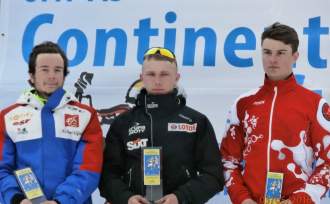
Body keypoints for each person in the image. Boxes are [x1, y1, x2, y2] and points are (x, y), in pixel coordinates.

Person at [220, 22, 330, 204]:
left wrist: (299, 200)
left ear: (295, 56)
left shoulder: (315, 104)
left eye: (281, 53)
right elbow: (228, 161)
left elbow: (327, 162)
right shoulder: (243, 103)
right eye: (267, 52)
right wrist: (243, 199)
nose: (272, 59)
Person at [99, 47, 224, 204]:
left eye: (164, 74)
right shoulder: (122, 123)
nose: (157, 81)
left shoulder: (196, 121)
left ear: (177, 77)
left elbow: (214, 176)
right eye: (151, 74)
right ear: (141, 77)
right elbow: (107, 176)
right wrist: (126, 198)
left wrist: (180, 198)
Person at [0, 41, 103, 204]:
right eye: (44, 70)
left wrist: (61, 201)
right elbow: (2, 170)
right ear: (32, 75)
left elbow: (89, 169)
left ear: (64, 74)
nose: (52, 76)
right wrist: (16, 199)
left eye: (58, 70)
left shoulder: (86, 115)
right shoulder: (7, 117)